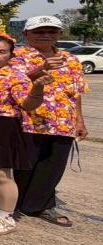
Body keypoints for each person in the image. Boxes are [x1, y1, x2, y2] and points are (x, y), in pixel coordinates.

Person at [9, 15, 88, 227]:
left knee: (52, 166)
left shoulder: (70, 59)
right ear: (26, 34)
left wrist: (79, 120)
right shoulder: (16, 56)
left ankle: (39, 205)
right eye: (39, 31)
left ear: (59, 34)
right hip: (27, 119)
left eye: (52, 31)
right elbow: (12, 82)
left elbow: (76, 92)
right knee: (22, 165)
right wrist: (42, 68)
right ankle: (8, 203)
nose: (46, 35)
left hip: (62, 122)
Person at [0, 32, 49, 235]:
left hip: (2, 126)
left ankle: (6, 217)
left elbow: (27, 104)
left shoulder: (16, 77)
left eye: (1, 52)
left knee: (2, 173)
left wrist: (37, 88)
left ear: (10, 55)